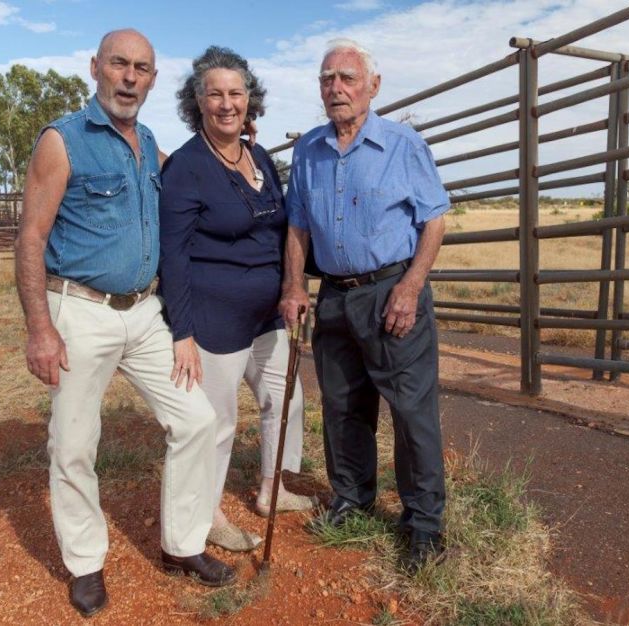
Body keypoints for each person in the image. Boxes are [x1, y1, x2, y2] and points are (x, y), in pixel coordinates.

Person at [15, 29, 235, 618]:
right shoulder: (63, 142)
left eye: (142, 68)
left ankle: (182, 545)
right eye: (119, 64)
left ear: (154, 80)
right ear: (96, 68)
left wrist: (236, 147)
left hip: (144, 312)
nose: (130, 77)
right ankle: (85, 563)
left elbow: (193, 177)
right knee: (75, 443)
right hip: (80, 310)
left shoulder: (151, 142)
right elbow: (31, 237)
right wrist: (41, 328)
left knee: (195, 418)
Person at [278, 38, 451, 572]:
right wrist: (293, 286)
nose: (336, 88)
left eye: (347, 78)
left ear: (372, 87)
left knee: (410, 410)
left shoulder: (402, 145)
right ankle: (352, 499)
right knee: (343, 406)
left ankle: (423, 523)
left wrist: (411, 286)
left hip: (391, 291)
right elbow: (297, 226)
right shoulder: (308, 149)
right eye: (327, 79)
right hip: (334, 295)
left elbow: (434, 220)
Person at [158, 46, 313, 553]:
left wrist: (292, 284)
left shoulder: (258, 155)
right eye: (215, 94)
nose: (227, 103)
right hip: (214, 317)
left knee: (285, 400)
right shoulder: (186, 167)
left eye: (236, 93)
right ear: (197, 102)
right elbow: (174, 256)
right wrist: (182, 330)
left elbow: (280, 222)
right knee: (218, 422)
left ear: (250, 100)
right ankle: (207, 516)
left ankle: (272, 487)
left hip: (267, 313)